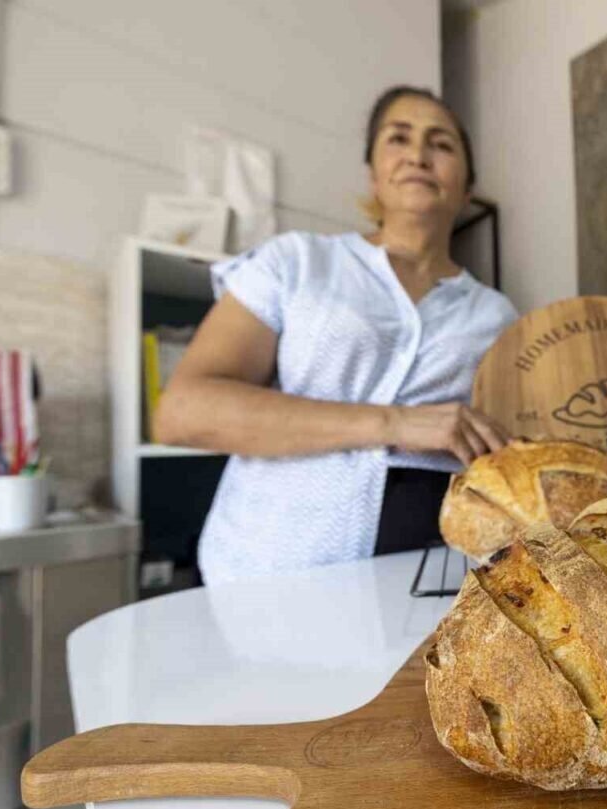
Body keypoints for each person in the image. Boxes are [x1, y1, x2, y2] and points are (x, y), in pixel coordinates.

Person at [155, 85, 517, 584]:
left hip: (430, 587)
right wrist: (397, 423)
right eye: (398, 138)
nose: (418, 155)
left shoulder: (497, 316)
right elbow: (183, 412)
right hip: (263, 580)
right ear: (373, 175)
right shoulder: (295, 262)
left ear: (467, 188)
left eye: (441, 144)